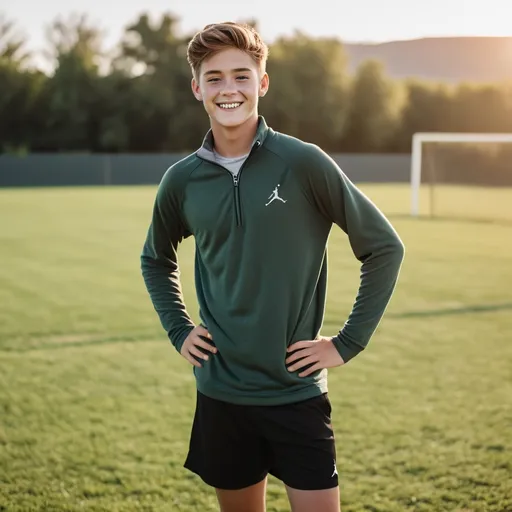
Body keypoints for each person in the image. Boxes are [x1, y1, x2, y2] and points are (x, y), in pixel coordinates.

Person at [141, 21, 404, 512]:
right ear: (197, 87)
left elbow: (385, 247)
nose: (228, 89)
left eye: (241, 76)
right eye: (214, 77)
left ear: (262, 83)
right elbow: (155, 258)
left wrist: (347, 343)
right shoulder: (181, 180)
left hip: (295, 391)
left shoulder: (303, 162)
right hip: (221, 392)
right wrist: (179, 330)